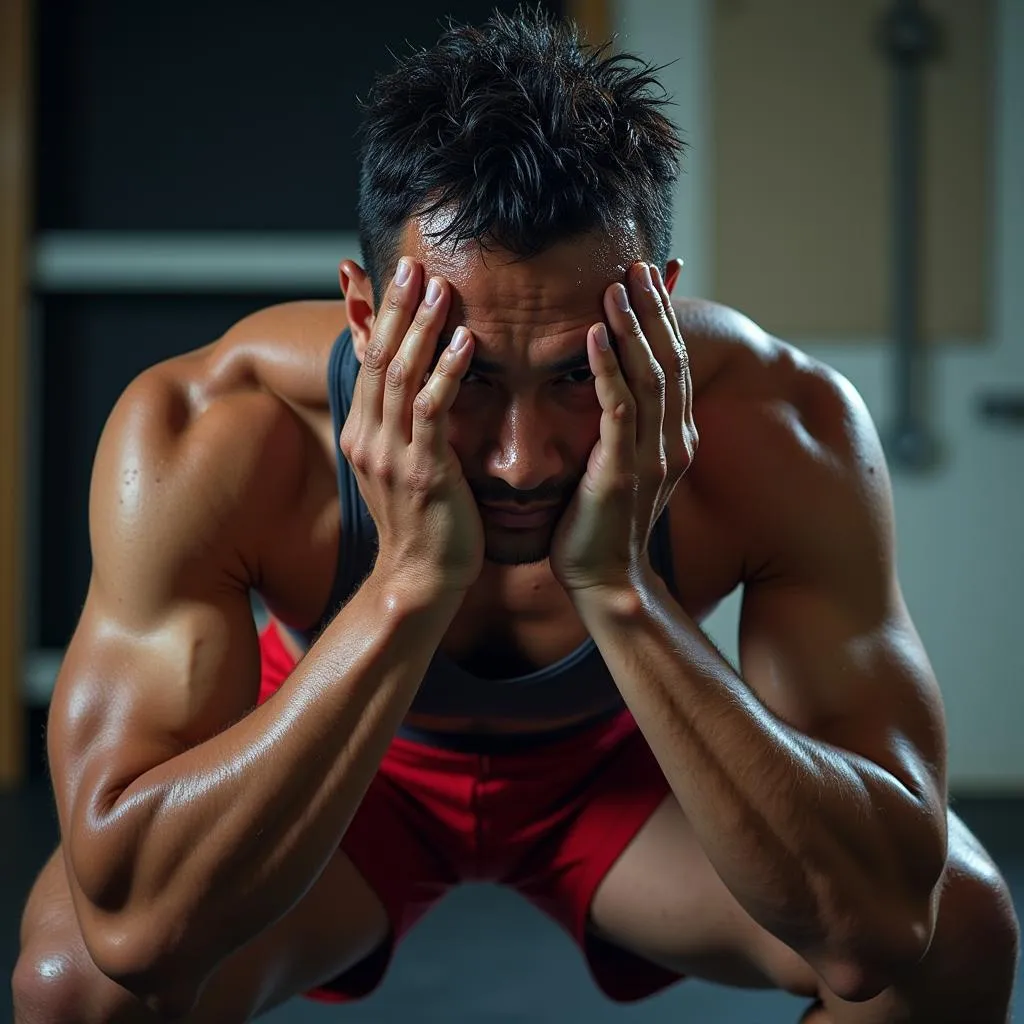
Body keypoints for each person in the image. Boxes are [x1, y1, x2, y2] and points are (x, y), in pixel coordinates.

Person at [13, 9, 1019, 1024]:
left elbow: (882, 926)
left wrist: (620, 589)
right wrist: (405, 587)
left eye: (579, 374)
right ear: (367, 318)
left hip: (629, 774)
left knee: (955, 936)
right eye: (471, 376)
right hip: (350, 777)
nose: (520, 459)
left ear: (657, 312)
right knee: (78, 991)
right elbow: (137, 927)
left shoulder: (784, 429)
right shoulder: (217, 432)